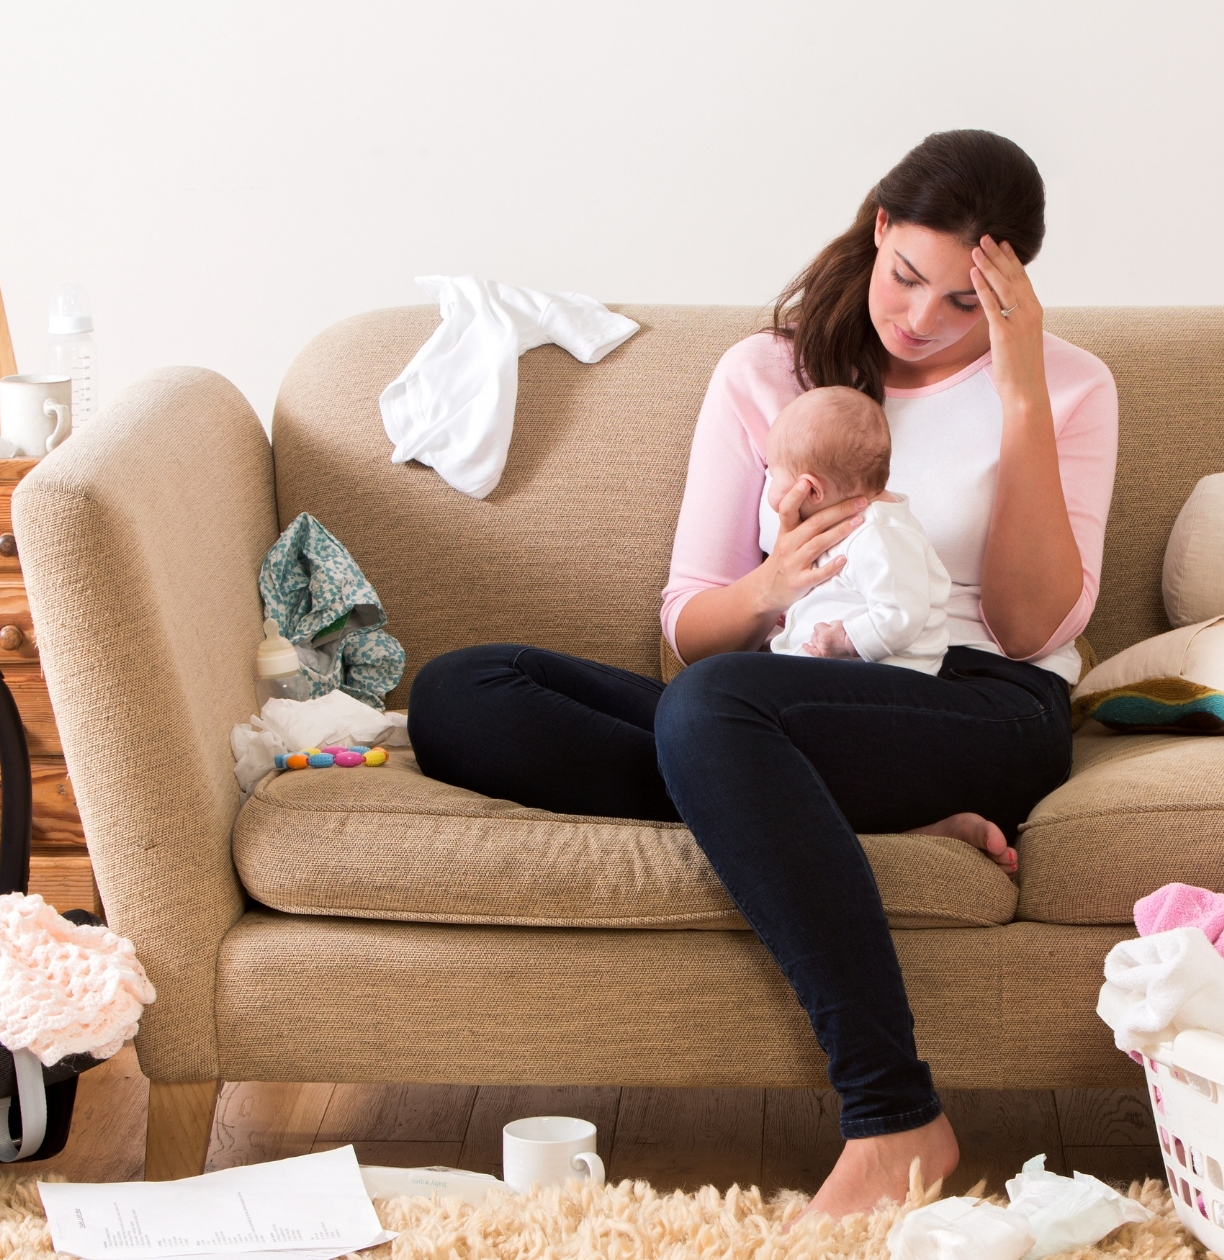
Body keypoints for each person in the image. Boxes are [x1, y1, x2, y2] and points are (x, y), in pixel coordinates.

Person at [408, 129, 1118, 1216]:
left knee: (713, 715)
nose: (920, 320)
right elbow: (691, 630)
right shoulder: (766, 373)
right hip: (783, 696)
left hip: (983, 706)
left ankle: (895, 1118)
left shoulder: (1069, 387)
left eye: (962, 304)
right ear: (878, 230)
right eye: (905, 278)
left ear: (1011, 291)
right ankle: (828, 809)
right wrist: (771, 584)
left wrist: (1017, 390)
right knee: (463, 693)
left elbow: (1030, 629)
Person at [761, 385, 951, 674]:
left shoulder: (880, 534)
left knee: (716, 683)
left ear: (811, 490)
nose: (771, 489)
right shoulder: (846, 529)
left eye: (774, 475)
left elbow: (903, 613)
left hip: (884, 676)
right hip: (833, 670)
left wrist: (846, 640)